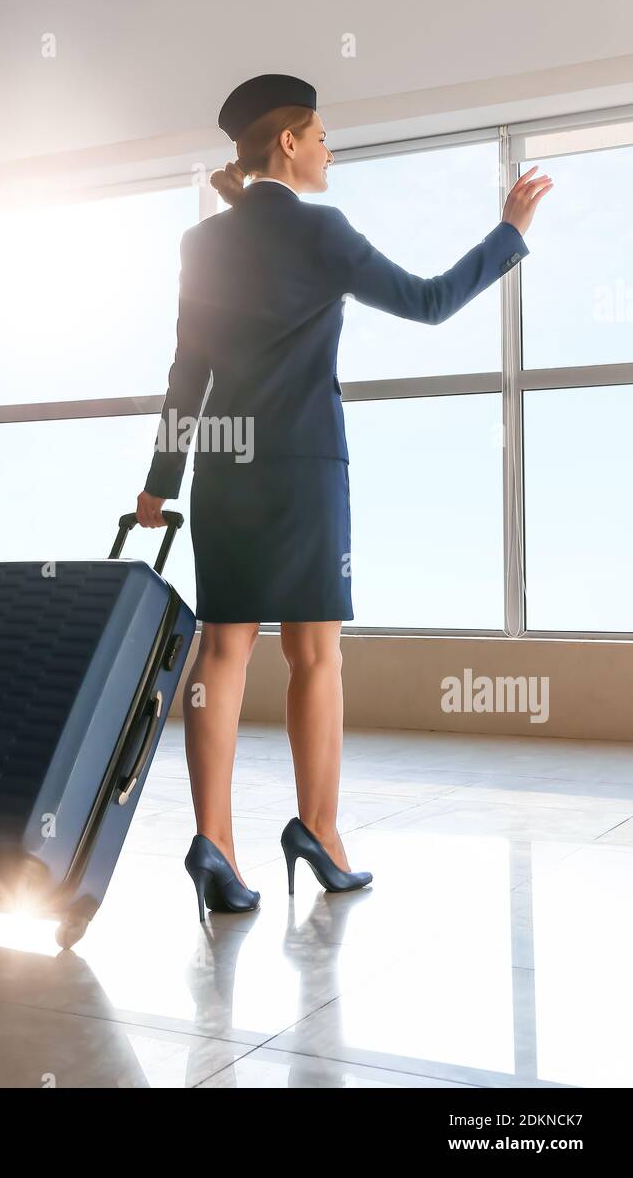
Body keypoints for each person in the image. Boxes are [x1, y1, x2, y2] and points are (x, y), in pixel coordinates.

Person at [135, 73, 552, 922]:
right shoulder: (322, 231)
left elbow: (188, 375)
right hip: (302, 469)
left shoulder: (200, 244)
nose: (330, 148)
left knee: (223, 655)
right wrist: (509, 233)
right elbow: (430, 302)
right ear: (285, 143)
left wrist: (159, 482)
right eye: (320, 134)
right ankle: (319, 832)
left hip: (223, 470)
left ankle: (213, 841)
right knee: (314, 656)